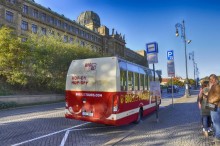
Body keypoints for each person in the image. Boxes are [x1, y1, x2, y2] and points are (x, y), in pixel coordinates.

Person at [207, 74, 220, 144]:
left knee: (216, 123)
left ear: (216, 79)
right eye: (210, 79)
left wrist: (211, 101)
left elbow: (218, 96)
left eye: (212, 79)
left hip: (216, 106)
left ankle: (218, 139)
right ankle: (216, 137)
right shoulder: (213, 86)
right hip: (212, 106)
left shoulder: (217, 86)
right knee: (214, 123)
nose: (211, 80)